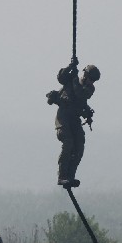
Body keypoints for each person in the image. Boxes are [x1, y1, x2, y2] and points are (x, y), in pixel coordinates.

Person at [47, 59, 99, 188]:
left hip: (75, 119)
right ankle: (62, 176)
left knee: (79, 146)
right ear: (85, 75)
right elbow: (61, 77)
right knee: (68, 143)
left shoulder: (89, 88)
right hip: (64, 117)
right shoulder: (71, 78)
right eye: (90, 78)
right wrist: (70, 67)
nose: (91, 82)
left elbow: (80, 95)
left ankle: (70, 176)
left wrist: (75, 78)